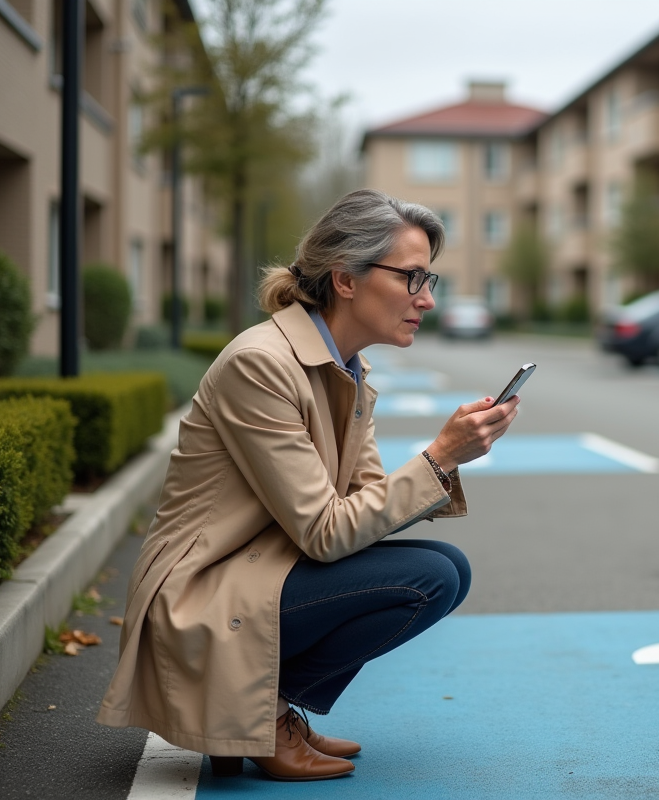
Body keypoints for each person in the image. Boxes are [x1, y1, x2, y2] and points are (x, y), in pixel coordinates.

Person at [97, 189, 519, 781]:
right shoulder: (262, 364)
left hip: (262, 567)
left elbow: (363, 511)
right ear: (346, 278)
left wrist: (448, 459)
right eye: (412, 278)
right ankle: (259, 717)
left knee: (447, 568)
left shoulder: (347, 367)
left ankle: (265, 711)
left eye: (431, 280)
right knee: (431, 576)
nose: (426, 299)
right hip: (204, 590)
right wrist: (439, 455)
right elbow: (326, 532)